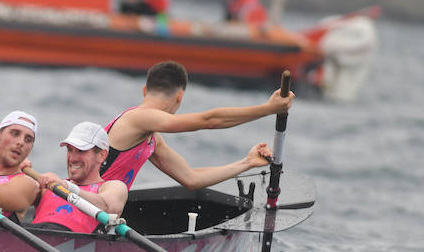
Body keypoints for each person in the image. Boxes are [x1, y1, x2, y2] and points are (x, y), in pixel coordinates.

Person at [102, 60, 292, 189]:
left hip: (96, 211)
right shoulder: (139, 118)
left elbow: (191, 178)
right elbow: (209, 120)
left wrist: (247, 163)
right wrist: (268, 109)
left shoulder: (151, 138)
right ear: (180, 96)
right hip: (86, 212)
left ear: (145, 90)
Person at [30, 122, 128, 233]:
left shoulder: (113, 186)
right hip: (32, 236)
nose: (72, 158)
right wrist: (14, 168)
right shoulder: (48, 186)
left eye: (81, 151)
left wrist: (67, 187)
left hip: (74, 244)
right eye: (70, 150)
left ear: (102, 155)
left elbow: (107, 207)